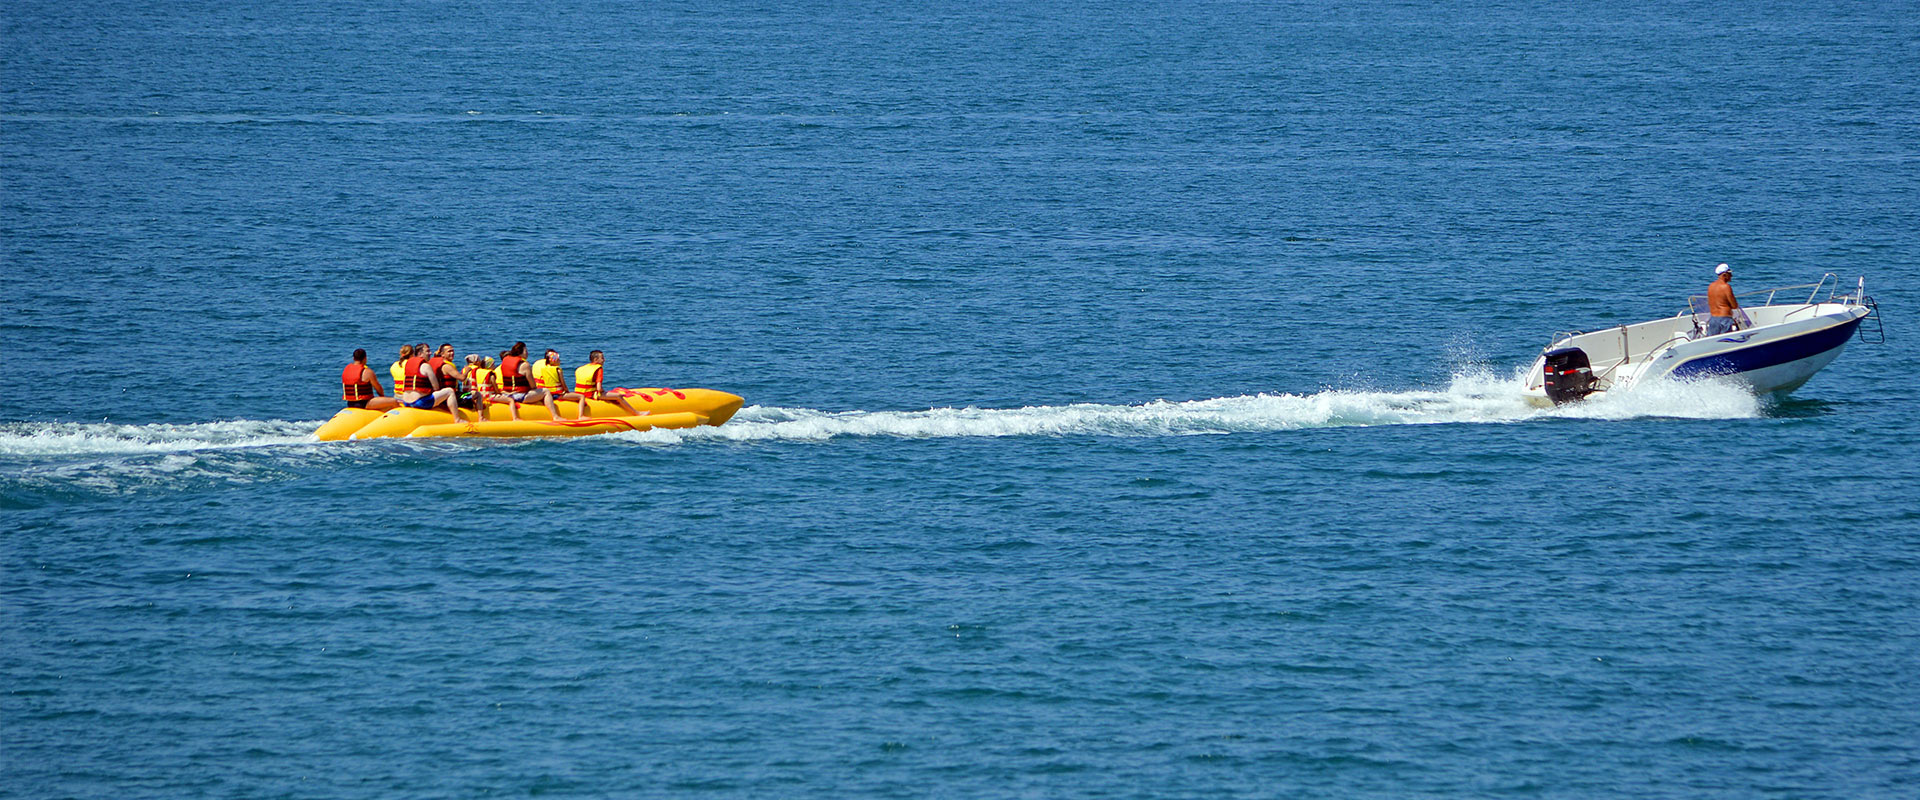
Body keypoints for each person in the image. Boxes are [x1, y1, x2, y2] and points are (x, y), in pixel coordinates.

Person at [574, 350, 641, 417]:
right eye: (602, 358)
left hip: (579, 394)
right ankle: (636, 413)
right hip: (590, 395)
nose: (604, 360)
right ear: (596, 359)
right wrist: (604, 393)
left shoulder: (581, 368)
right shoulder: (598, 369)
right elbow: (599, 388)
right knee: (618, 396)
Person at [531, 348, 586, 420]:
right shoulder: (557, 370)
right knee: (581, 396)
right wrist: (567, 391)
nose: (560, 361)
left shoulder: (543, 368)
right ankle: (581, 416)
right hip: (557, 395)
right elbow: (563, 384)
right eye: (558, 360)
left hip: (543, 393)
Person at [497, 343, 532, 421]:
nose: (527, 353)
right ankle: (555, 416)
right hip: (519, 395)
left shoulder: (504, 364)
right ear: (521, 352)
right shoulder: (524, 365)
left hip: (505, 393)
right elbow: (532, 385)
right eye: (526, 351)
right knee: (545, 392)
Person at [1706, 263, 1742, 335]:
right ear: (1724, 275)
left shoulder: (1711, 286)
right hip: (1724, 319)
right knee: (1725, 341)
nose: (1731, 276)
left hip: (1713, 319)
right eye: (1729, 274)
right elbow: (1734, 305)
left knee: (1713, 341)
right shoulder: (1726, 287)